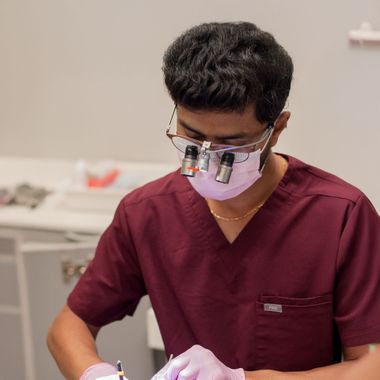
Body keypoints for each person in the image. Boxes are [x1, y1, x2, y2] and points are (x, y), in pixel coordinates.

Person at [47, 22, 380, 380]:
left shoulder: (340, 216)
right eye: (192, 136)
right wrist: (97, 375)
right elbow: (68, 327)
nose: (206, 159)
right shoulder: (147, 212)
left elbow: (372, 365)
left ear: (276, 129)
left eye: (231, 145)